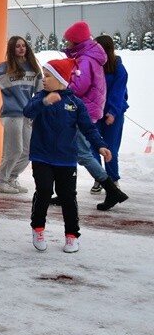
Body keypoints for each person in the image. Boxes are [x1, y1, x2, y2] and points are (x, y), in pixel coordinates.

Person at [24, 58, 111, 253]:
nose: (43, 80)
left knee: (68, 197)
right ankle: (38, 228)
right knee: (44, 190)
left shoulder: (75, 103)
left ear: (60, 78)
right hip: (41, 156)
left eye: (48, 76)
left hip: (66, 159)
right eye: (43, 76)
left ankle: (72, 235)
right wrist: (45, 101)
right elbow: (27, 111)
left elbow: (89, 128)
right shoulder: (39, 97)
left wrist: (100, 146)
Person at [62, 22, 128, 207]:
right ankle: (70, 189)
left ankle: (111, 185)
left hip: (93, 111)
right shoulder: (90, 59)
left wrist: (62, 89)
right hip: (92, 111)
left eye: (68, 40)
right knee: (84, 150)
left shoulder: (93, 61)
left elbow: (115, 92)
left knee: (95, 150)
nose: (66, 43)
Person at [0, 35, 43, 194]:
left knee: (27, 150)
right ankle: (2, 180)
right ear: (12, 49)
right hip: (11, 114)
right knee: (15, 149)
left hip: (27, 114)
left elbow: (39, 92)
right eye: (17, 46)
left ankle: (12, 178)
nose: (21, 48)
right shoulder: (5, 67)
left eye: (23, 45)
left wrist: (37, 111)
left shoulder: (33, 68)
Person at [92, 35, 128, 210]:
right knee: (91, 147)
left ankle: (113, 181)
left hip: (112, 114)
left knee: (110, 148)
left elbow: (118, 93)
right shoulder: (94, 65)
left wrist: (112, 112)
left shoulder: (119, 69)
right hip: (95, 112)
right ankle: (100, 177)